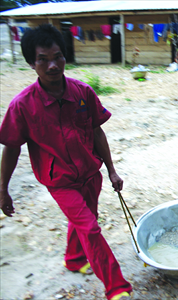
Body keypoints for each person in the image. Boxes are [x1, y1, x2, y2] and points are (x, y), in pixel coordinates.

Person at [0, 24, 132, 300]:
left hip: (90, 174)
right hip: (60, 182)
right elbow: (12, 147)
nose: (52, 65)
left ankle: (73, 259)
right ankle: (117, 287)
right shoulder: (22, 105)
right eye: (42, 59)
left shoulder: (82, 93)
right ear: (30, 63)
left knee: (86, 221)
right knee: (91, 228)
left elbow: (97, 130)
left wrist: (112, 171)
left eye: (57, 56)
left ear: (64, 56)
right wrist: (3, 189)